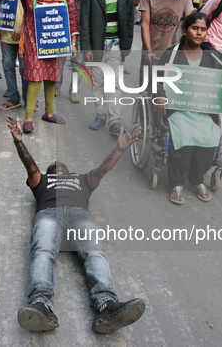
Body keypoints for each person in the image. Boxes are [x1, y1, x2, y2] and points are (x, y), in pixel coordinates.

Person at [7, 116, 146, 333]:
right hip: (49, 214)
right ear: (50, 171)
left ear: (69, 171)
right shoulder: (42, 180)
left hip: (80, 216)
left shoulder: (81, 180)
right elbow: (31, 168)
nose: (56, 162)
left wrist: (119, 150)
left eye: (59, 163)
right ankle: (41, 305)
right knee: (43, 251)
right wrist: (18, 141)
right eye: (52, 164)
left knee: (94, 252)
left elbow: (100, 171)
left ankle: (106, 304)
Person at [154, 12, 222, 204]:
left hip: (202, 111)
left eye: (203, 29)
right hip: (178, 110)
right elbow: (157, 80)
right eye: (195, 28)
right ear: (185, 30)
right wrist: (159, 97)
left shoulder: (213, 56)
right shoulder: (172, 53)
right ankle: (177, 183)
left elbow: (220, 82)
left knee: (209, 136)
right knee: (184, 134)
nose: (199, 33)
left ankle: (197, 179)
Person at [0, 0, 79, 133]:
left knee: (51, 77)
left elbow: (72, 17)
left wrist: (73, 42)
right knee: (35, 77)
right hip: (33, 41)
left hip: (56, 40)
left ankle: (49, 114)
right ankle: (28, 118)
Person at [80, 0, 134, 134]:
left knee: (115, 83)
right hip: (97, 43)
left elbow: (129, 17)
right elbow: (85, 18)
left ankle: (114, 120)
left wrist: (128, 42)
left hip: (117, 43)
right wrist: (86, 47)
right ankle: (100, 115)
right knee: (97, 82)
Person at [60, 0, 84, 104]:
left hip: (80, 36)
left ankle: (74, 91)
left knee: (78, 65)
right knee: (58, 63)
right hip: (62, 35)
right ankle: (57, 85)